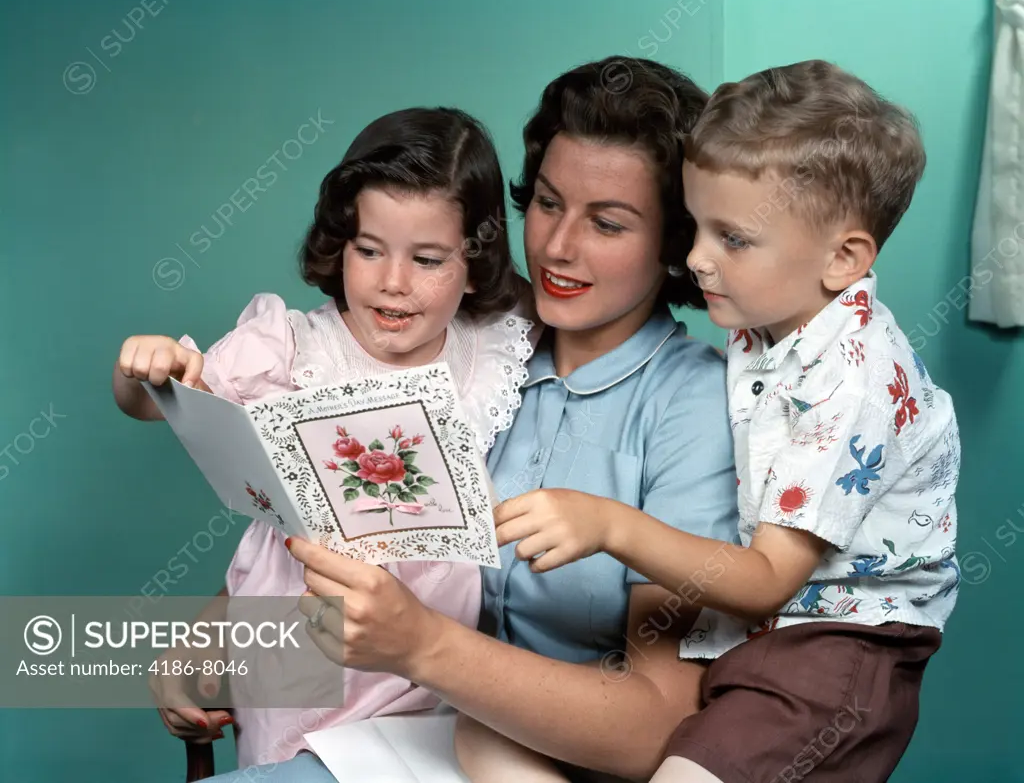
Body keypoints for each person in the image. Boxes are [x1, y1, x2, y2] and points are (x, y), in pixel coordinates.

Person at [494, 60, 962, 783]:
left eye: (730, 239)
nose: (698, 259)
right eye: (547, 205)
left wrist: (609, 524)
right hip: (767, 637)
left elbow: (767, 580)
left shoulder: (848, 382)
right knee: (478, 739)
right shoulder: (769, 317)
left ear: (843, 258)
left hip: (837, 647)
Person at [286, 55, 740, 783]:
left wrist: (425, 646)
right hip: (392, 731)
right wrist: (215, 650)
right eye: (550, 204)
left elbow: (660, 727)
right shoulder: (467, 339)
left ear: (675, 245)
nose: (558, 248)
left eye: (608, 223)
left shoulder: (692, 409)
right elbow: (316, 519)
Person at [112, 107, 537, 778]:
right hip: (295, 657)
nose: (392, 281)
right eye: (369, 250)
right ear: (341, 244)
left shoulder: (491, 352)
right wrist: (145, 369)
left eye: (427, 259)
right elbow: (162, 401)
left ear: (475, 265)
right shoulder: (290, 348)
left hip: (423, 678)